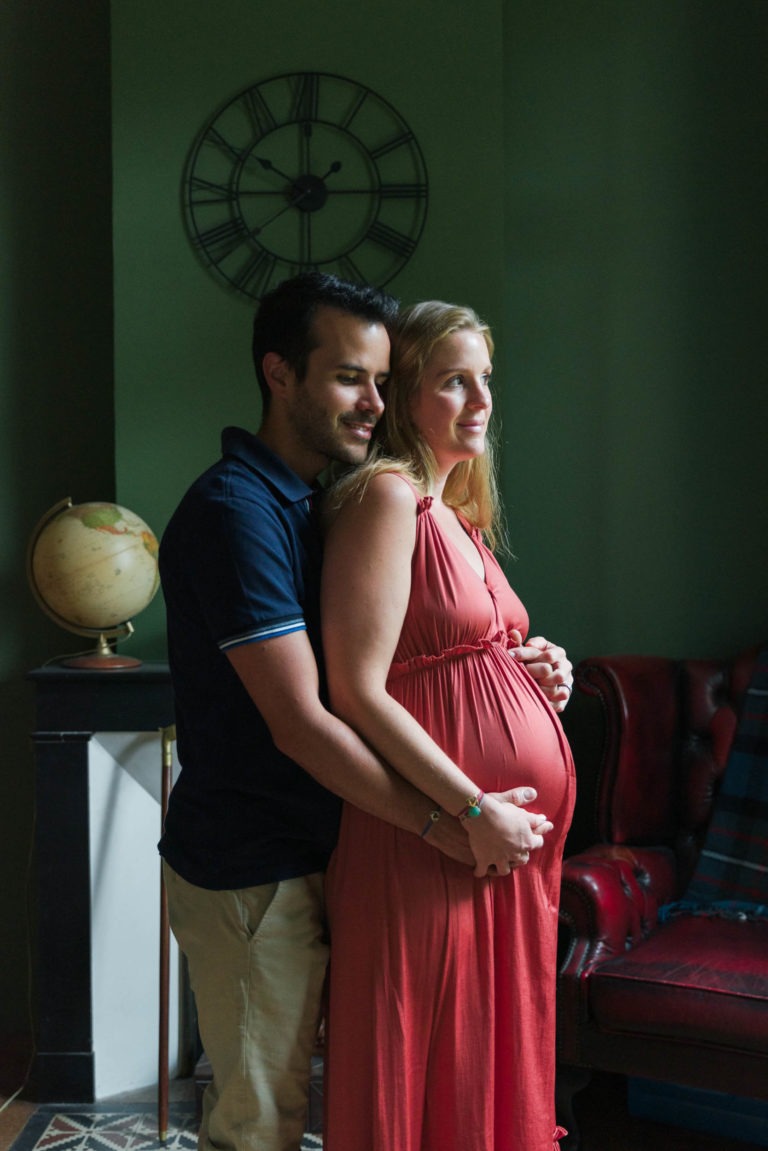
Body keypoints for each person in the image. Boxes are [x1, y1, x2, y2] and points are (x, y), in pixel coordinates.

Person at [158, 273, 570, 1151]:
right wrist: (453, 819)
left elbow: (407, 645)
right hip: (254, 871)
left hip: (332, 845)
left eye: (383, 381)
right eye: (351, 378)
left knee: (348, 1095)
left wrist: (520, 668)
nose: (373, 404)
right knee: (258, 1125)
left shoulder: (318, 499)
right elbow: (309, 717)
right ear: (279, 373)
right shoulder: (239, 512)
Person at [321, 300, 577, 1151]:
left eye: (486, 380)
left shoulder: (457, 513)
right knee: (424, 1063)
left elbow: (457, 661)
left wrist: (538, 670)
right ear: (404, 399)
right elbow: (356, 688)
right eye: (453, 380)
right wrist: (473, 810)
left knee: (482, 1067)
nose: (481, 399)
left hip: (496, 856)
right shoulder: (388, 499)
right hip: (430, 842)